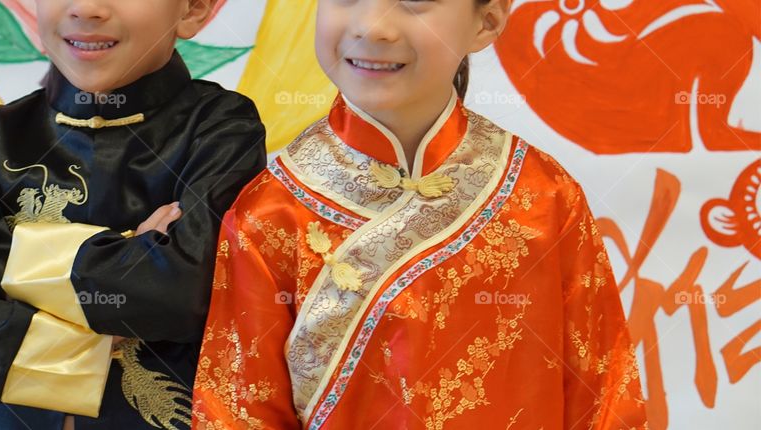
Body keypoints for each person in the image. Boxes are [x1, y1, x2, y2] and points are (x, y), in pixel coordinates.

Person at [191, 0, 647, 428]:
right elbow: (235, 412)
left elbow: (605, 397)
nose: (373, 27)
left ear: (486, 21)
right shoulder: (270, 214)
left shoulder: (543, 197)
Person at [0, 0, 266, 428]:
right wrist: (134, 252)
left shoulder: (223, 128)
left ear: (193, 10)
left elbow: (182, 293)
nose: (87, 8)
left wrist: (8, 265)